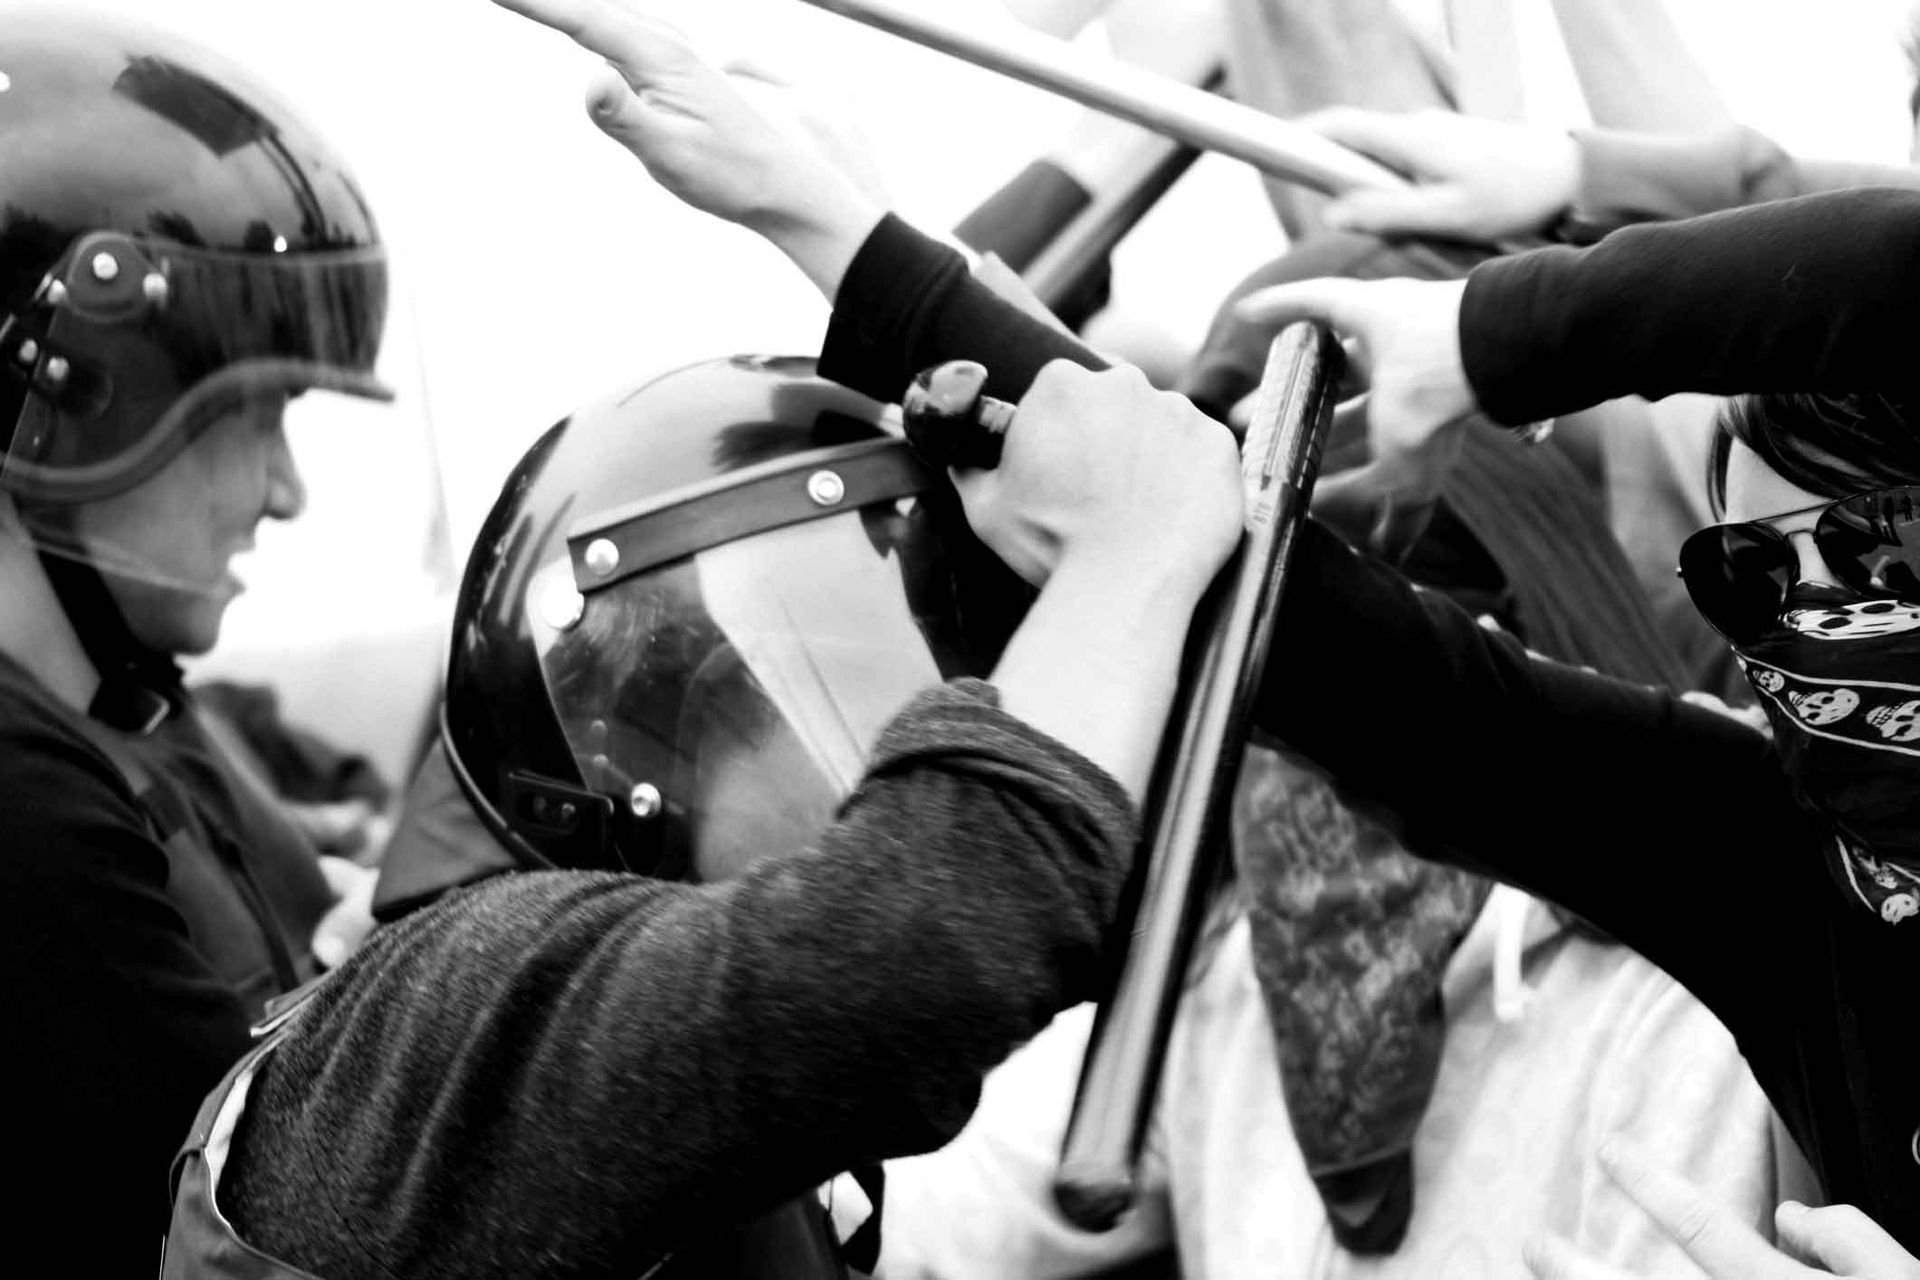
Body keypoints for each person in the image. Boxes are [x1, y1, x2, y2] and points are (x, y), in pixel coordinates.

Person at [481, 0, 1920, 1265]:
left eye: (1858, 559)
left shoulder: (1667, 978)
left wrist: (1504, 326)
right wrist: (843, 241)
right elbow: (1319, 637)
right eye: (1745, 581)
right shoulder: (1776, 874)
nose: (1799, 640)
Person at [162, 272, 1245, 1277]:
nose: (916, 734)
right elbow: (925, 952)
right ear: (638, 732)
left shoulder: (627, 1022)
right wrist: (1129, 553)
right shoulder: (449, 1004)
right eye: (859, 677)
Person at [0, 8, 393, 1271]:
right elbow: (340, 1219)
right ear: (81, 390)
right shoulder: (24, 815)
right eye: (259, 413)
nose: (286, 493)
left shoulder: (136, 720)